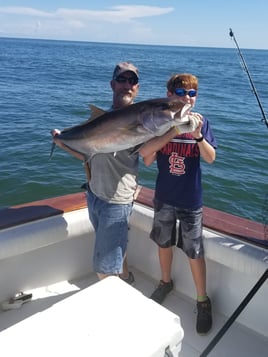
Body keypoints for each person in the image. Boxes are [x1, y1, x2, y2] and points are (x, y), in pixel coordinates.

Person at [139, 73, 217, 335]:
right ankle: (165, 282)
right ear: (169, 95)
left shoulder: (202, 123)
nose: (187, 98)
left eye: (192, 94)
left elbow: (211, 158)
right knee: (164, 243)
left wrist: (196, 136)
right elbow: (145, 156)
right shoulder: (161, 123)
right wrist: (173, 130)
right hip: (164, 198)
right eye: (181, 93)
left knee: (195, 252)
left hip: (191, 201)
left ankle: (202, 300)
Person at [52, 62, 141, 283]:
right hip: (94, 195)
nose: (127, 85)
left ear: (137, 88)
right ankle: (127, 279)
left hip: (117, 201)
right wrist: (61, 142)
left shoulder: (142, 120)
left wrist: (179, 127)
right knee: (116, 248)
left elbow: (152, 153)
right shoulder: (102, 118)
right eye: (122, 80)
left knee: (104, 269)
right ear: (112, 84)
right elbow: (87, 156)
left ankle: (114, 307)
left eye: (133, 81)